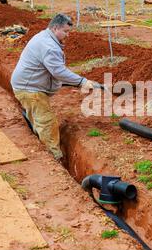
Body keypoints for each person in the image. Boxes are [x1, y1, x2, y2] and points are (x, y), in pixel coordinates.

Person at [11, 13, 99, 161]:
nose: (68, 35)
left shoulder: (44, 37)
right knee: (47, 122)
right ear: (55, 28)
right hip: (30, 89)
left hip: (27, 85)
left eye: (69, 31)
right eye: (65, 31)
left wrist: (75, 81)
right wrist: (82, 81)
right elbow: (58, 71)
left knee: (40, 119)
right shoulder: (49, 46)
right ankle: (53, 158)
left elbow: (53, 71)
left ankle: (42, 143)